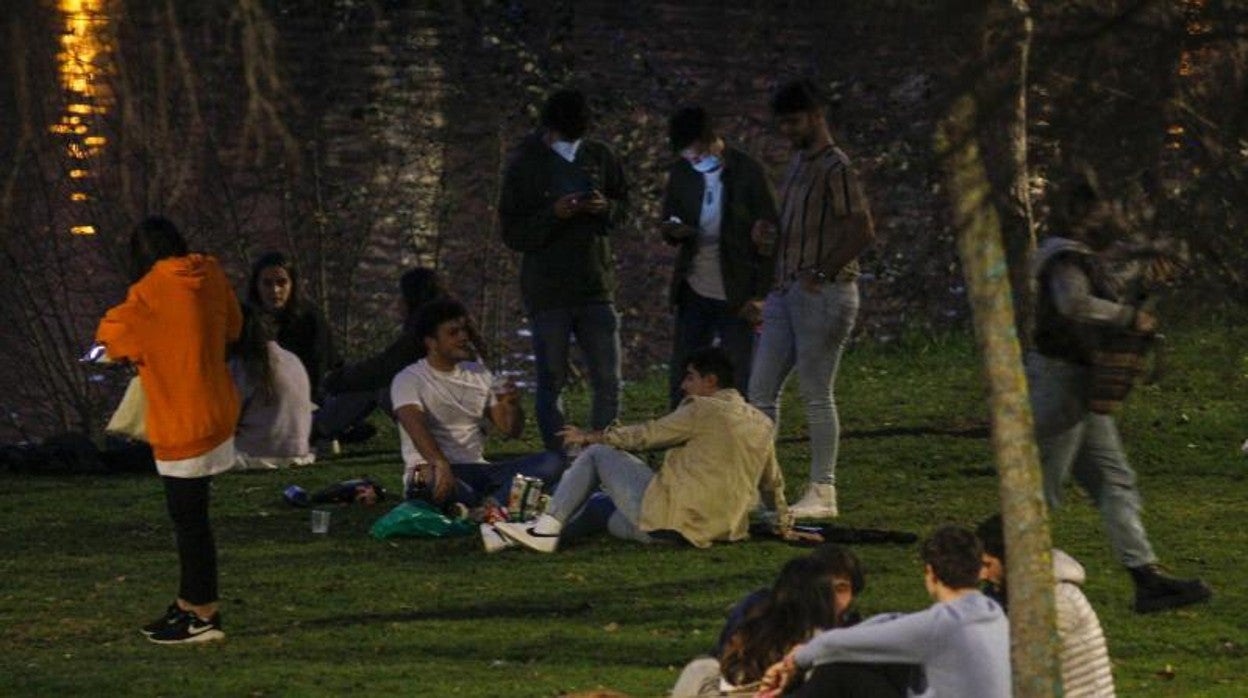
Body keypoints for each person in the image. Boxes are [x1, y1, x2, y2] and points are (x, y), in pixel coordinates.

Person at [1027, 174, 1211, 613]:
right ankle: (1002, 579)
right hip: (1058, 379)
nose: (1107, 217)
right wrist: (1128, 316)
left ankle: (1145, 576)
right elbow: (1074, 304)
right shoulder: (1062, 256)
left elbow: (1114, 274)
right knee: (1040, 490)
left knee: (1114, 479)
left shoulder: (1080, 254)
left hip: (1080, 380)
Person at [95, 216, 242, 644]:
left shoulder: (148, 294)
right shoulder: (210, 274)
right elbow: (234, 326)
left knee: (190, 523)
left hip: (181, 421)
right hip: (217, 410)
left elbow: (114, 337)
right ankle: (188, 603)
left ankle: (203, 614)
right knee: (194, 517)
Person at [495, 347, 787, 552]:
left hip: (673, 525)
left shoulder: (703, 408)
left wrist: (591, 437)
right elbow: (772, 484)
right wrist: (783, 524)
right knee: (599, 507)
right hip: (720, 530)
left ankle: (543, 530)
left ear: (710, 381)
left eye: (690, 377)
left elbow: (647, 435)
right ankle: (510, 537)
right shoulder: (761, 423)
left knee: (598, 454)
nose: (684, 385)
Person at [748, 80, 875, 519]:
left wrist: (822, 271)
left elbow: (860, 226)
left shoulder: (834, 166)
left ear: (816, 115)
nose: (787, 130)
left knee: (816, 392)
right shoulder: (800, 164)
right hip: (786, 290)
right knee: (760, 391)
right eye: (782, 122)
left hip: (821, 292)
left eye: (794, 120)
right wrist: (769, 239)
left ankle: (824, 489)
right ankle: (758, 488)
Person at [498, 87, 629, 452]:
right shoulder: (526, 164)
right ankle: (559, 456)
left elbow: (624, 206)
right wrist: (553, 215)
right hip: (548, 291)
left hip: (595, 285)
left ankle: (602, 449)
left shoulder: (600, 156)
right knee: (551, 379)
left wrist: (604, 209)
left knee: (608, 378)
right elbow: (513, 231)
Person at [756, 526, 1010, 698]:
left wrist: (795, 660)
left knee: (840, 670)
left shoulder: (941, 625)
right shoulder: (992, 613)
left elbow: (835, 643)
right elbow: (895, 623)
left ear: (930, 572)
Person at [390, 298, 565, 509]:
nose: (464, 337)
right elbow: (415, 426)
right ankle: (502, 500)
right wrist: (440, 463)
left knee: (552, 461)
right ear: (431, 342)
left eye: (464, 330)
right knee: (426, 482)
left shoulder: (478, 373)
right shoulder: (408, 379)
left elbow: (511, 430)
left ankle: (489, 505)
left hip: (479, 469)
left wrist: (512, 405)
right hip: (431, 467)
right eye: (453, 333)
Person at [671, 545, 908, 698]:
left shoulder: (849, 640)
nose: (834, 600)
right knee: (701, 669)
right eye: (828, 590)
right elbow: (727, 662)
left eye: (842, 589)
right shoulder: (759, 614)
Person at [660, 106, 779, 408]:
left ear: (711, 140)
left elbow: (771, 234)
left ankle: (734, 440)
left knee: (736, 373)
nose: (693, 162)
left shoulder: (747, 172)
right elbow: (668, 216)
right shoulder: (682, 174)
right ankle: (680, 437)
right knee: (684, 371)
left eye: (697, 155)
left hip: (736, 292)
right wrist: (675, 229)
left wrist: (761, 294)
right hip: (694, 287)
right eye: (687, 157)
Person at [315, 267, 477, 439]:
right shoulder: (453, 320)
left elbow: (385, 365)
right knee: (380, 383)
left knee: (376, 385)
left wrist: (337, 379)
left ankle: (318, 427)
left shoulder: (427, 327)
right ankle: (336, 427)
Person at [977, 514, 1115, 697]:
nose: (982, 575)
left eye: (988, 564)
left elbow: (1013, 666)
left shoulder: (1058, 602)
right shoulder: (1011, 597)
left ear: (1012, 561)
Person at [228, 305, 316, 470]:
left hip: (254, 453)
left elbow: (225, 420)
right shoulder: (292, 360)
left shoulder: (242, 366)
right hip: (297, 451)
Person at [247, 251, 340, 400]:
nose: (275, 290)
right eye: (267, 283)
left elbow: (318, 373)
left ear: (292, 284)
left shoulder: (310, 320)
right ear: (256, 285)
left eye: (281, 283)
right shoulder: (247, 321)